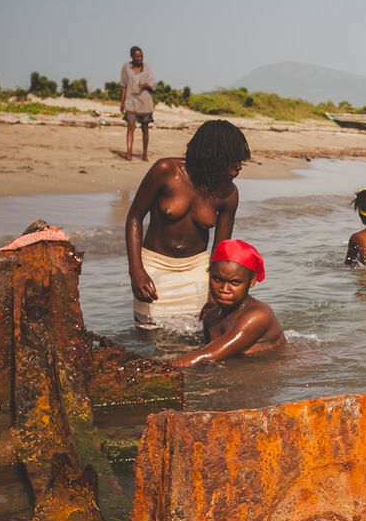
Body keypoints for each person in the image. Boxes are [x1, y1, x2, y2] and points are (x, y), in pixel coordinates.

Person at [125, 119, 248, 330]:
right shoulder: (165, 170)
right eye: (231, 160)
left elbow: (220, 249)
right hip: (154, 268)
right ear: (212, 156)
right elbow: (135, 217)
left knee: (193, 339)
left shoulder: (228, 193)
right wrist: (136, 270)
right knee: (147, 336)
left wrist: (213, 294)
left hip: (197, 272)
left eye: (240, 161)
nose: (238, 167)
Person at [170, 239, 284, 367]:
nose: (224, 289)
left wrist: (165, 367)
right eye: (217, 279)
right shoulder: (210, 318)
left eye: (234, 282)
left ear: (251, 282)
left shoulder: (258, 316)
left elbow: (208, 355)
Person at [119, 46, 156, 161]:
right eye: (137, 56)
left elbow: (153, 84)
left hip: (144, 103)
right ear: (132, 56)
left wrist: (145, 85)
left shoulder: (147, 68)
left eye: (141, 56)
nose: (140, 58)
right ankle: (129, 152)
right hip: (130, 101)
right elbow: (124, 85)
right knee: (131, 127)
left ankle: (144, 154)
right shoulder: (126, 67)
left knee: (145, 129)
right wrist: (122, 102)